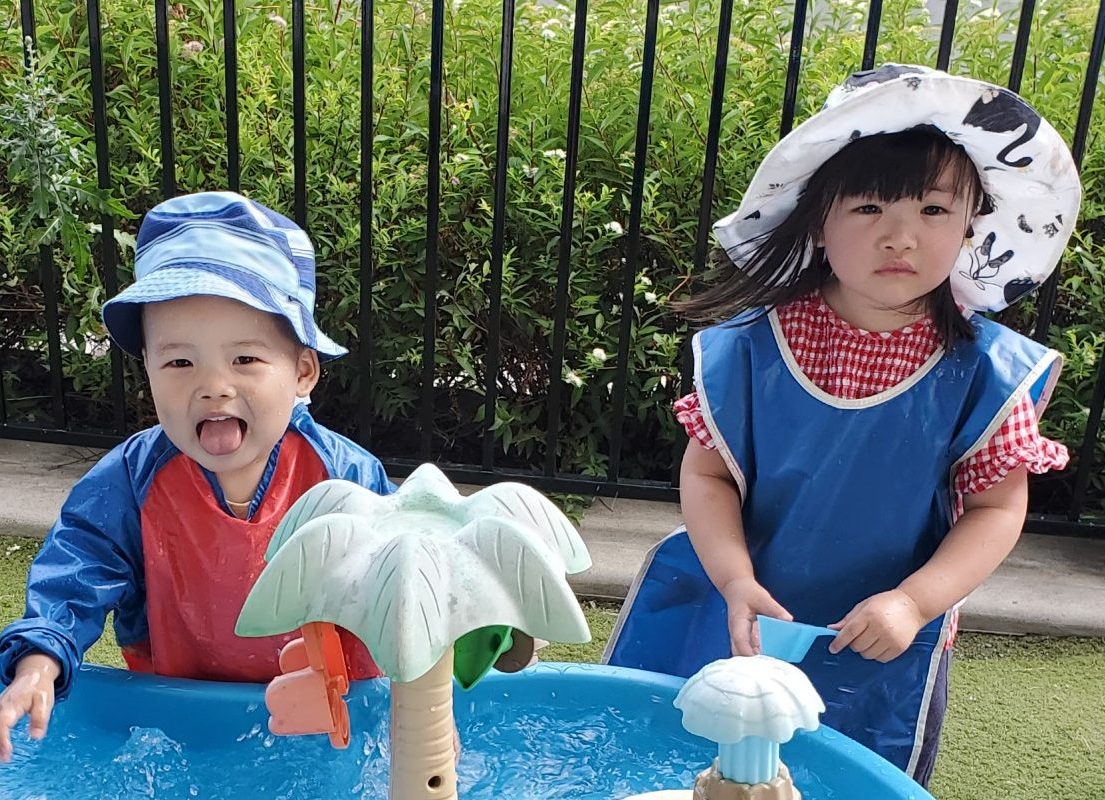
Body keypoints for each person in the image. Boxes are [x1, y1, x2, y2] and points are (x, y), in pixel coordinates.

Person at [603, 64, 1081, 786]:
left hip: (885, 628)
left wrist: (914, 602)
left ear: (971, 225)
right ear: (818, 219)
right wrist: (733, 578)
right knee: (682, 764)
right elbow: (707, 475)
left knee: (847, 779)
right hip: (733, 604)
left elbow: (995, 509)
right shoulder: (751, 345)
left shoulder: (987, 373)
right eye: (867, 207)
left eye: (933, 210)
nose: (900, 237)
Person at [0, 191, 395, 761]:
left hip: (330, 720)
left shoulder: (345, 477)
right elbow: (76, 570)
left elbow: (401, 586)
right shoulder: (130, 480)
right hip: (180, 719)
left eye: (245, 359)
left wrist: (420, 702)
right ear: (149, 369)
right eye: (180, 362)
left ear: (303, 372)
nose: (213, 386)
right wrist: (40, 659)